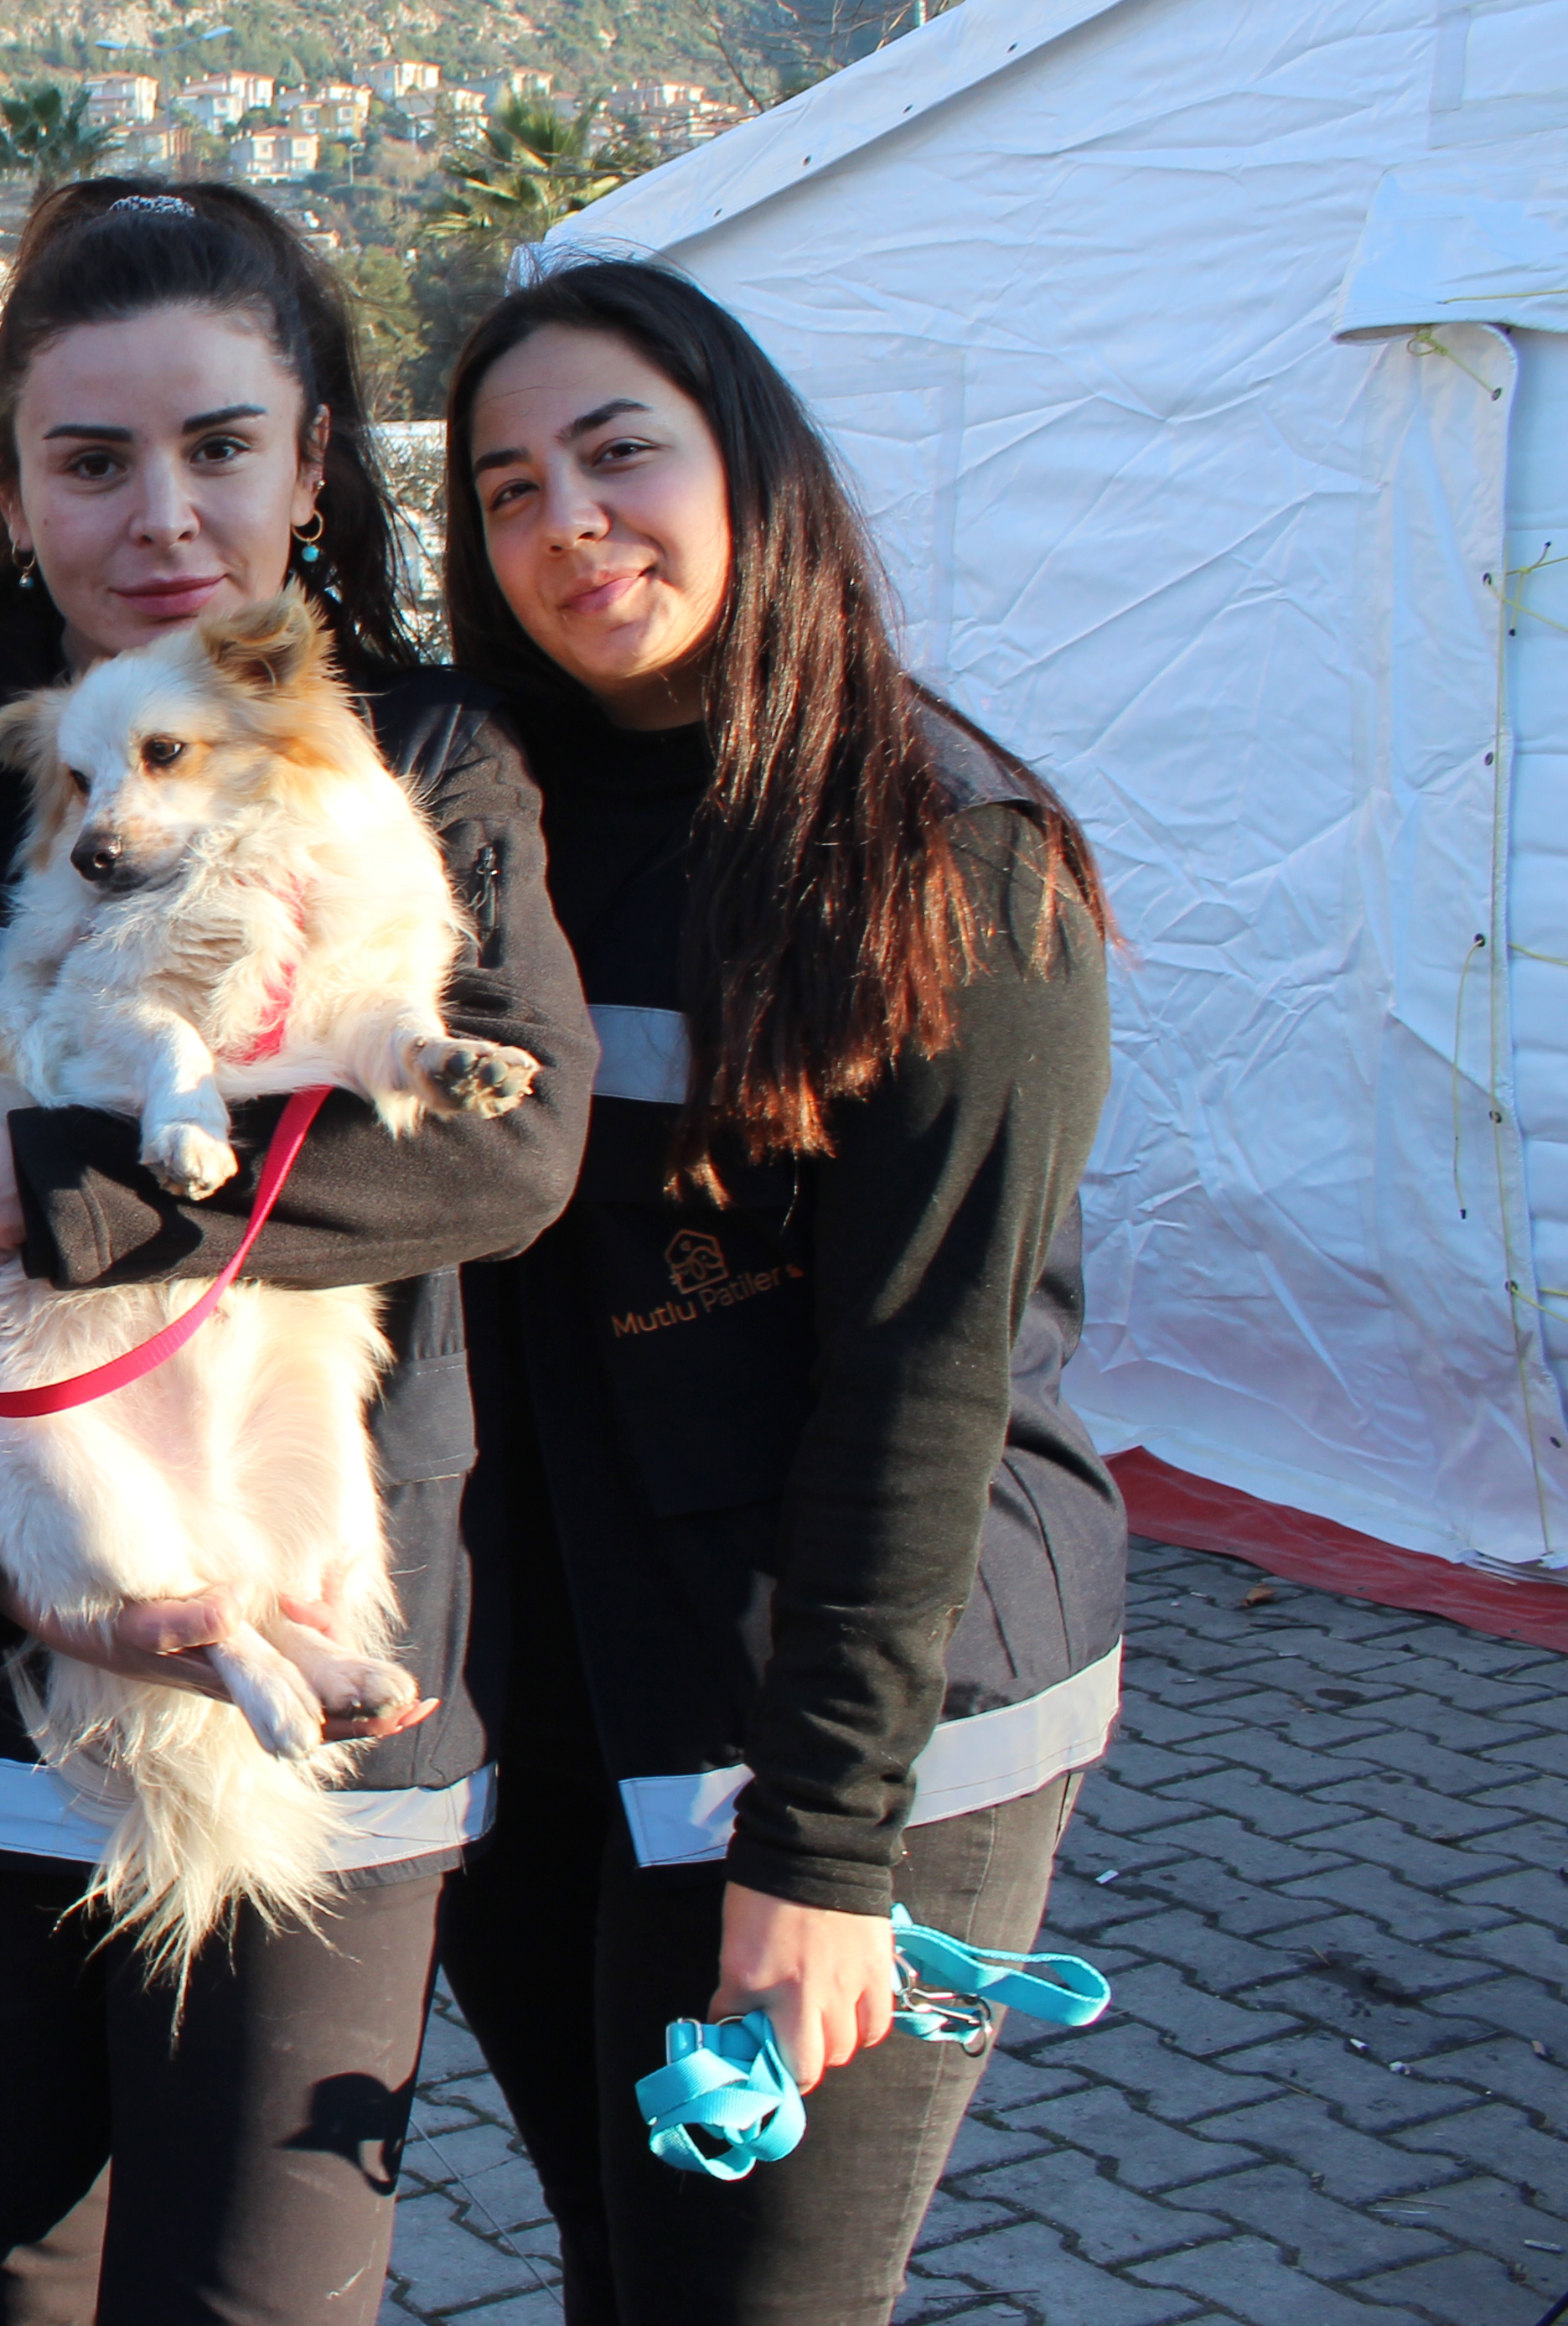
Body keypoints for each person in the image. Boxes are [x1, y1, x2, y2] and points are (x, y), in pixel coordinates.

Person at [0, 179, 592, 2326]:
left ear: (311, 460)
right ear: (10, 483)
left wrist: (69, 1195)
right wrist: (8, 1580)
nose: (160, 515)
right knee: (12, 2277)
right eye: (91, 460)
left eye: (218, 446)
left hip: (327, 1679)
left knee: (261, 2295)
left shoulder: (433, 757)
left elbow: (507, 1151)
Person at [429, 260, 1120, 2326]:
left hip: (837, 1714)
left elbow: (925, 1388)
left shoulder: (945, 853)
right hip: (553, 1696)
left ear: (756, 469)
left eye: (621, 452)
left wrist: (826, 1853)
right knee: (624, 2268)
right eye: (506, 486)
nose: (570, 522)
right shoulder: (487, 834)